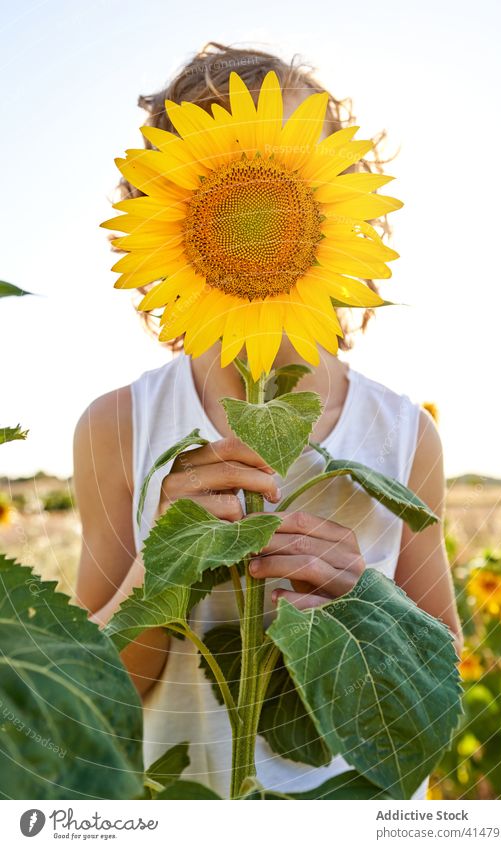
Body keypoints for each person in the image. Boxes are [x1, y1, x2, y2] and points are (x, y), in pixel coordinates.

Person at [73, 42, 463, 800]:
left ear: (340, 188)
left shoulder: (402, 435)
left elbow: (438, 675)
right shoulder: (118, 425)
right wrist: (160, 571)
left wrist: (366, 602)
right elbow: (93, 688)